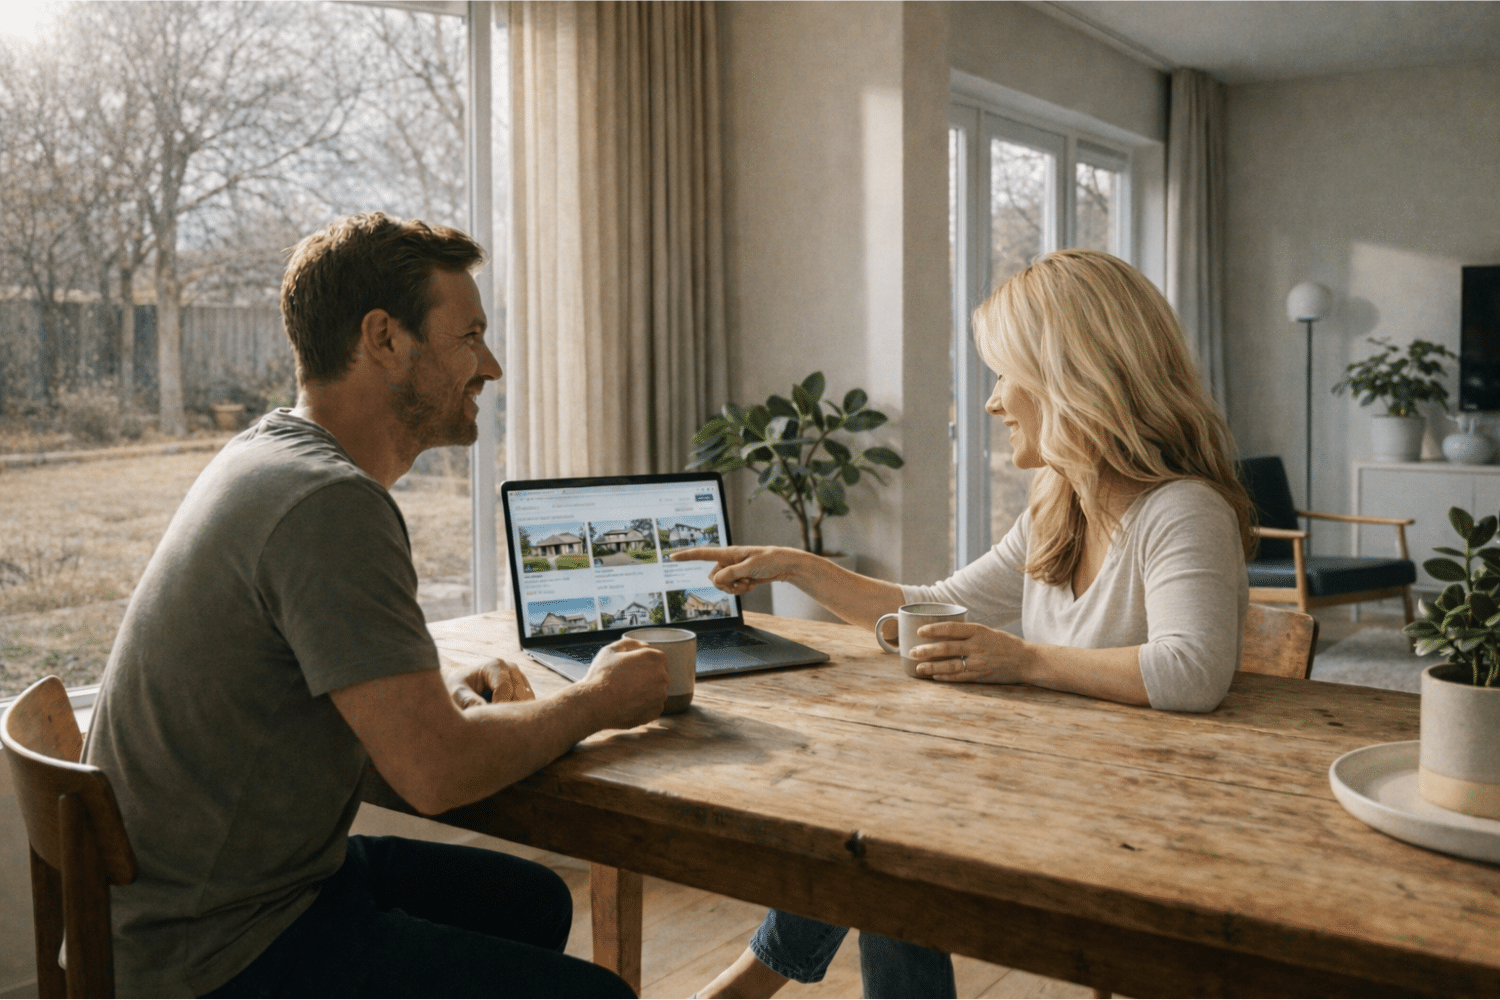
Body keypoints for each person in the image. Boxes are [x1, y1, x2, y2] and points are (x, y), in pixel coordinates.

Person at [82, 213, 669, 998]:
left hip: (199, 901)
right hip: (219, 951)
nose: (489, 365)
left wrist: (440, 709)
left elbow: (355, 726)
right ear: (383, 339)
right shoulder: (330, 502)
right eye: (470, 337)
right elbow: (435, 776)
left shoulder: (269, 453)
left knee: (528, 900)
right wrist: (600, 700)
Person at [674, 248, 1255, 999]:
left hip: (1144, 824)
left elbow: (1192, 671)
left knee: (891, 817)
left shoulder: (1181, 510)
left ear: (1074, 381)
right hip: (1062, 782)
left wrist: (1023, 660)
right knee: (886, 811)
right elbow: (932, 605)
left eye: (1005, 375)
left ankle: (749, 983)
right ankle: (753, 984)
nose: (992, 402)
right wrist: (796, 568)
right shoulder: (1060, 501)